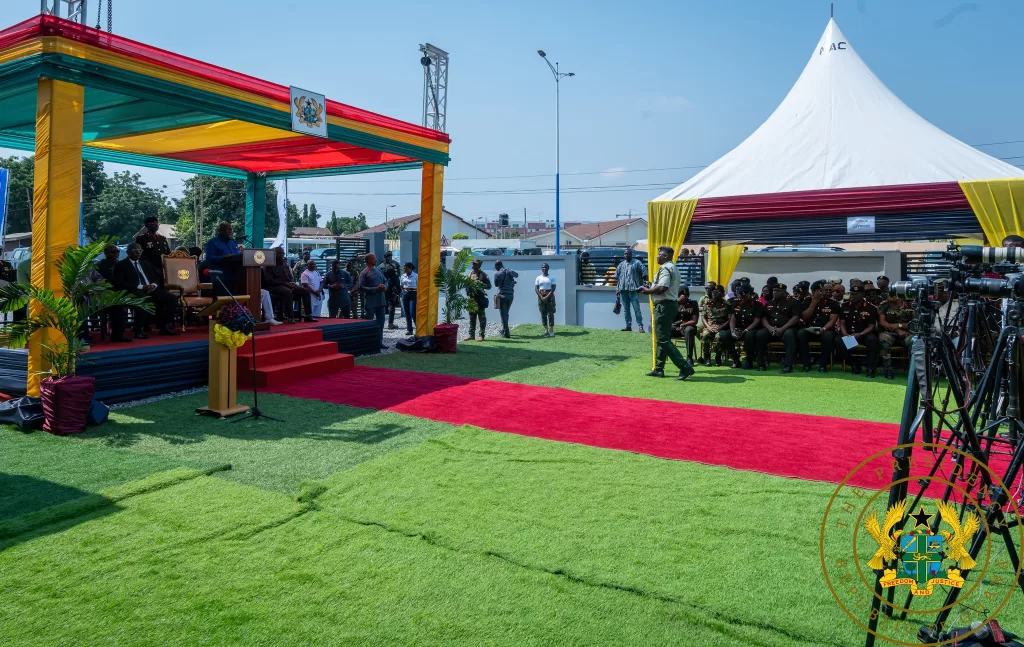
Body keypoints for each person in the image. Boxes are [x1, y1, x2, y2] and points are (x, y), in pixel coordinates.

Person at [639, 246, 694, 380]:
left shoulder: (665, 268)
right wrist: (652, 286)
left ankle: (685, 367)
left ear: (665, 256)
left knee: (663, 339)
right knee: (662, 337)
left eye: (659, 254)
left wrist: (647, 291)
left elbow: (662, 288)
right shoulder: (673, 267)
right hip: (669, 305)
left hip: (664, 306)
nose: (656, 257)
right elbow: (663, 286)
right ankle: (659, 368)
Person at [111, 243, 179, 338]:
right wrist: (141, 287)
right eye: (136, 250)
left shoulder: (145, 263)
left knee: (172, 299)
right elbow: (120, 282)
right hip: (133, 290)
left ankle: (164, 325)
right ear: (128, 252)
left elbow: (156, 276)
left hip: (151, 289)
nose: (139, 252)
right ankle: (139, 329)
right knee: (143, 299)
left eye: (140, 250)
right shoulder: (121, 265)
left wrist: (153, 285)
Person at [835, 284, 880, 377]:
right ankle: (854, 364)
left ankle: (870, 368)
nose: (853, 296)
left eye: (855, 294)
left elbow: (871, 326)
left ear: (862, 295)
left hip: (863, 335)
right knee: (838, 341)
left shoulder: (870, 308)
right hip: (849, 335)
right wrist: (845, 334)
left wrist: (860, 334)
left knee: (873, 340)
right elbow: (842, 322)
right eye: (852, 294)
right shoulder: (844, 306)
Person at [262, 246, 315, 323]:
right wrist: (285, 283)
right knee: (288, 292)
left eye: (282, 253)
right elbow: (269, 280)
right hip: (274, 287)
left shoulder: (284, 263)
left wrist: (292, 282)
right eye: (280, 253)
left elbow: (289, 275)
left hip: (288, 285)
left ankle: (308, 315)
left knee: (305, 291)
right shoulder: (269, 265)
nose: (282, 255)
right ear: (274, 254)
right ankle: (290, 317)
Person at [759, 283, 801, 373]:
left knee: (789, 335)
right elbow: (764, 318)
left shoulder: (792, 302)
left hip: (787, 329)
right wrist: (770, 328)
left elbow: (796, 317)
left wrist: (782, 328)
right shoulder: (769, 303)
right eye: (774, 291)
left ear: (784, 293)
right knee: (760, 334)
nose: (775, 292)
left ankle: (788, 365)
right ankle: (761, 364)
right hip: (771, 329)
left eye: (778, 291)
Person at [798, 282, 840, 372]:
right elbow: (805, 318)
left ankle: (823, 365)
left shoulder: (833, 303)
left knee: (828, 336)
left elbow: (832, 321)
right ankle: (806, 364)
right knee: (801, 333)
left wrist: (823, 329)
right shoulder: (807, 301)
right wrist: (814, 302)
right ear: (813, 292)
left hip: (825, 329)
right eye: (818, 291)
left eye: (821, 291)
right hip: (810, 328)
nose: (820, 293)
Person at [94, 244, 130, 342]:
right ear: (105, 253)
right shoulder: (101, 265)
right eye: (113, 251)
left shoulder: (121, 264)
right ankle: (117, 335)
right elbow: (101, 282)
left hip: (121, 292)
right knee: (117, 306)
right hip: (105, 294)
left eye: (117, 251)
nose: (116, 253)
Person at [723, 286, 764, 369]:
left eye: (745, 296)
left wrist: (745, 330)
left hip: (751, 329)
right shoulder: (736, 304)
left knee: (749, 336)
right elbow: (733, 319)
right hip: (739, 329)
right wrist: (732, 331)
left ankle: (749, 360)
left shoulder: (758, 305)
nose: (743, 298)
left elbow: (756, 321)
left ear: (751, 295)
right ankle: (736, 360)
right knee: (725, 335)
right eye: (741, 296)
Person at [877, 292, 915, 380]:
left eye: (892, 294)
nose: (889, 296)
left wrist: (899, 325)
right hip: (889, 332)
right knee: (884, 340)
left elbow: (914, 323)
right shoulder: (884, 305)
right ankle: (888, 370)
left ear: (900, 296)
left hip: (907, 333)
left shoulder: (910, 305)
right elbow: (882, 322)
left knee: (914, 341)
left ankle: (912, 370)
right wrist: (897, 330)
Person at [356, 252, 388, 348]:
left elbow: (385, 281)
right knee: (369, 322)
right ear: (369, 260)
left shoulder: (378, 270)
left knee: (381, 322)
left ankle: (379, 342)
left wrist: (385, 287)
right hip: (371, 302)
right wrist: (375, 289)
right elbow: (361, 287)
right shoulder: (364, 273)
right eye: (374, 258)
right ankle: (367, 343)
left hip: (381, 301)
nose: (376, 260)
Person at [204, 221, 241, 297]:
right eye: (228, 229)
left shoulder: (233, 242)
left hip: (235, 276)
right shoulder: (212, 242)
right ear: (220, 230)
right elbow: (209, 258)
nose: (230, 231)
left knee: (233, 300)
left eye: (231, 229)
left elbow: (237, 256)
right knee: (222, 300)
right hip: (220, 277)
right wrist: (223, 258)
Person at [614, 248, 645, 332]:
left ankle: (640, 326)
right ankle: (628, 326)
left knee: (636, 309)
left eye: (628, 254)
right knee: (626, 310)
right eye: (625, 254)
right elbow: (618, 278)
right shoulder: (621, 264)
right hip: (623, 290)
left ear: (631, 254)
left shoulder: (637, 263)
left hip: (633, 290)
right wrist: (617, 289)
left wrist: (644, 285)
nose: (626, 255)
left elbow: (644, 273)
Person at [699, 286, 731, 366]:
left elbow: (729, 319)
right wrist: (708, 327)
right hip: (710, 326)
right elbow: (703, 317)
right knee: (705, 335)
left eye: (717, 293)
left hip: (722, 326)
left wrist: (720, 328)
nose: (714, 294)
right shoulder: (707, 304)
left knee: (719, 337)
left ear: (721, 294)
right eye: (713, 292)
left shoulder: (727, 304)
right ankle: (707, 359)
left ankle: (718, 357)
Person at [135, 215, 171, 284]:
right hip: (149, 270)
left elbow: (168, 254)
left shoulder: (162, 238)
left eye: (157, 223)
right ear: (147, 225)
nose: (156, 225)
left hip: (163, 269)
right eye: (153, 224)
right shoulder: (142, 238)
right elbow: (140, 256)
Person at [673, 286, 700, 366]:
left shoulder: (693, 303)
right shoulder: (673, 303)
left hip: (687, 326)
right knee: (664, 331)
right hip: (675, 326)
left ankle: (689, 358)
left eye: (685, 294)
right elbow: (668, 316)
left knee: (689, 330)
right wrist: (677, 302)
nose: (683, 296)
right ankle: (666, 357)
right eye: (681, 294)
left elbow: (694, 321)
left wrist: (684, 324)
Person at [467, 258, 491, 341]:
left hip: (480, 299)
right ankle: (471, 335)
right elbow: (467, 285)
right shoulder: (470, 274)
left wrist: (480, 284)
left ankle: (481, 335)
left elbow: (489, 286)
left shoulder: (483, 275)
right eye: (473, 263)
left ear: (479, 265)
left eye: (475, 264)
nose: (473, 265)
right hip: (471, 299)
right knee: (472, 318)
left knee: (482, 318)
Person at [493, 260, 518, 338]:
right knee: (506, 313)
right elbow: (516, 275)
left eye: (495, 267)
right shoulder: (509, 271)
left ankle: (506, 331)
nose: (495, 268)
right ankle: (504, 329)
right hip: (510, 295)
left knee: (503, 314)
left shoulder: (497, 274)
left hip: (502, 295)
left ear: (498, 266)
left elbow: (496, 285)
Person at [379, 251, 403, 330]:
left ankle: (380, 323)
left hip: (381, 289)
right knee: (391, 305)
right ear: (389, 257)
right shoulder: (392, 267)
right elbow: (396, 279)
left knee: (381, 306)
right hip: (390, 289)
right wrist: (399, 290)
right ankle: (390, 323)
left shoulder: (379, 267)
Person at [535, 263, 557, 337]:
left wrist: (547, 297)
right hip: (541, 296)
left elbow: (553, 288)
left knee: (550, 313)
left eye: (546, 267)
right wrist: (541, 297)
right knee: (543, 313)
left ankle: (551, 329)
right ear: (541, 268)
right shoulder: (538, 278)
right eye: (543, 267)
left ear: (548, 268)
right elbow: (536, 288)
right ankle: (545, 329)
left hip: (549, 296)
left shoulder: (552, 277)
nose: (544, 269)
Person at [400, 262, 418, 335]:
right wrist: (403, 292)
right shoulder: (403, 276)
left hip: (413, 293)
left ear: (410, 268)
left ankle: (419, 329)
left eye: (406, 268)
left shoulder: (416, 276)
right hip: (405, 293)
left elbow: (418, 285)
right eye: (404, 268)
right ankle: (409, 330)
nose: (404, 269)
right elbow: (401, 285)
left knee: (413, 312)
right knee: (407, 312)